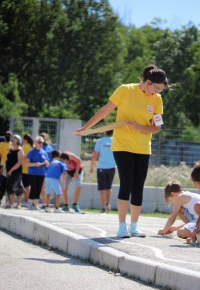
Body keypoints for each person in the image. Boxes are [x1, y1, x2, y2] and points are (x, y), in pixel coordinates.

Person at [75, 65, 168, 238]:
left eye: (160, 90)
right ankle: (121, 226)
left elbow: (157, 128)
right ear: (148, 82)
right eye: (156, 88)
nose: (157, 92)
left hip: (142, 147)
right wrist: (86, 128)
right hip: (122, 145)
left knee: (138, 186)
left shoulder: (157, 99)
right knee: (126, 184)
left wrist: (139, 127)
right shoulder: (125, 90)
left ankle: (134, 225)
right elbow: (105, 110)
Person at [90, 130, 116, 213]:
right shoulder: (115, 140)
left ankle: (103, 207)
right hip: (112, 167)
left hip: (102, 167)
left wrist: (91, 166)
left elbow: (95, 154)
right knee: (109, 187)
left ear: (105, 132)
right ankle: (108, 204)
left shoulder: (100, 141)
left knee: (102, 188)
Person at [26, 136, 49, 210]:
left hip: (41, 173)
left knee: (39, 189)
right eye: (39, 142)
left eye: (42, 142)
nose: (41, 144)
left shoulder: (44, 152)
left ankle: (35, 204)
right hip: (33, 173)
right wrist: (35, 164)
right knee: (33, 188)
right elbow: (27, 163)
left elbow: (48, 163)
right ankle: (30, 203)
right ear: (35, 143)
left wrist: (46, 163)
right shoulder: (32, 151)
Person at [4, 135, 24, 209]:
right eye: (11, 140)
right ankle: (11, 203)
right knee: (9, 187)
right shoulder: (11, 149)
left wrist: (11, 170)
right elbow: (8, 159)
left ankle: (18, 204)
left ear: (17, 141)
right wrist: (4, 167)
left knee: (17, 187)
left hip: (16, 172)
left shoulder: (20, 150)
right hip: (9, 171)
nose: (11, 141)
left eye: (13, 140)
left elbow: (19, 163)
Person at [0, 131, 12, 206]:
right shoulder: (12, 145)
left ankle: (0, 200)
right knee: (9, 184)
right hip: (11, 166)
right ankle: (9, 201)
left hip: (3, 165)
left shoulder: (1, 144)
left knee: (3, 184)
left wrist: (0, 166)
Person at [39, 132, 53, 209]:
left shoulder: (47, 148)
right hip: (43, 169)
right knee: (43, 187)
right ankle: (45, 202)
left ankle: (45, 203)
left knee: (45, 187)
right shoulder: (48, 148)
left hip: (46, 169)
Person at [21, 134, 33, 207]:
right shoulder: (32, 147)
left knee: (26, 186)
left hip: (24, 169)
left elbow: (22, 157)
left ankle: (26, 201)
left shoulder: (24, 147)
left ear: (25, 140)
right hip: (31, 169)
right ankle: (28, 200)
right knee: (29, 186)